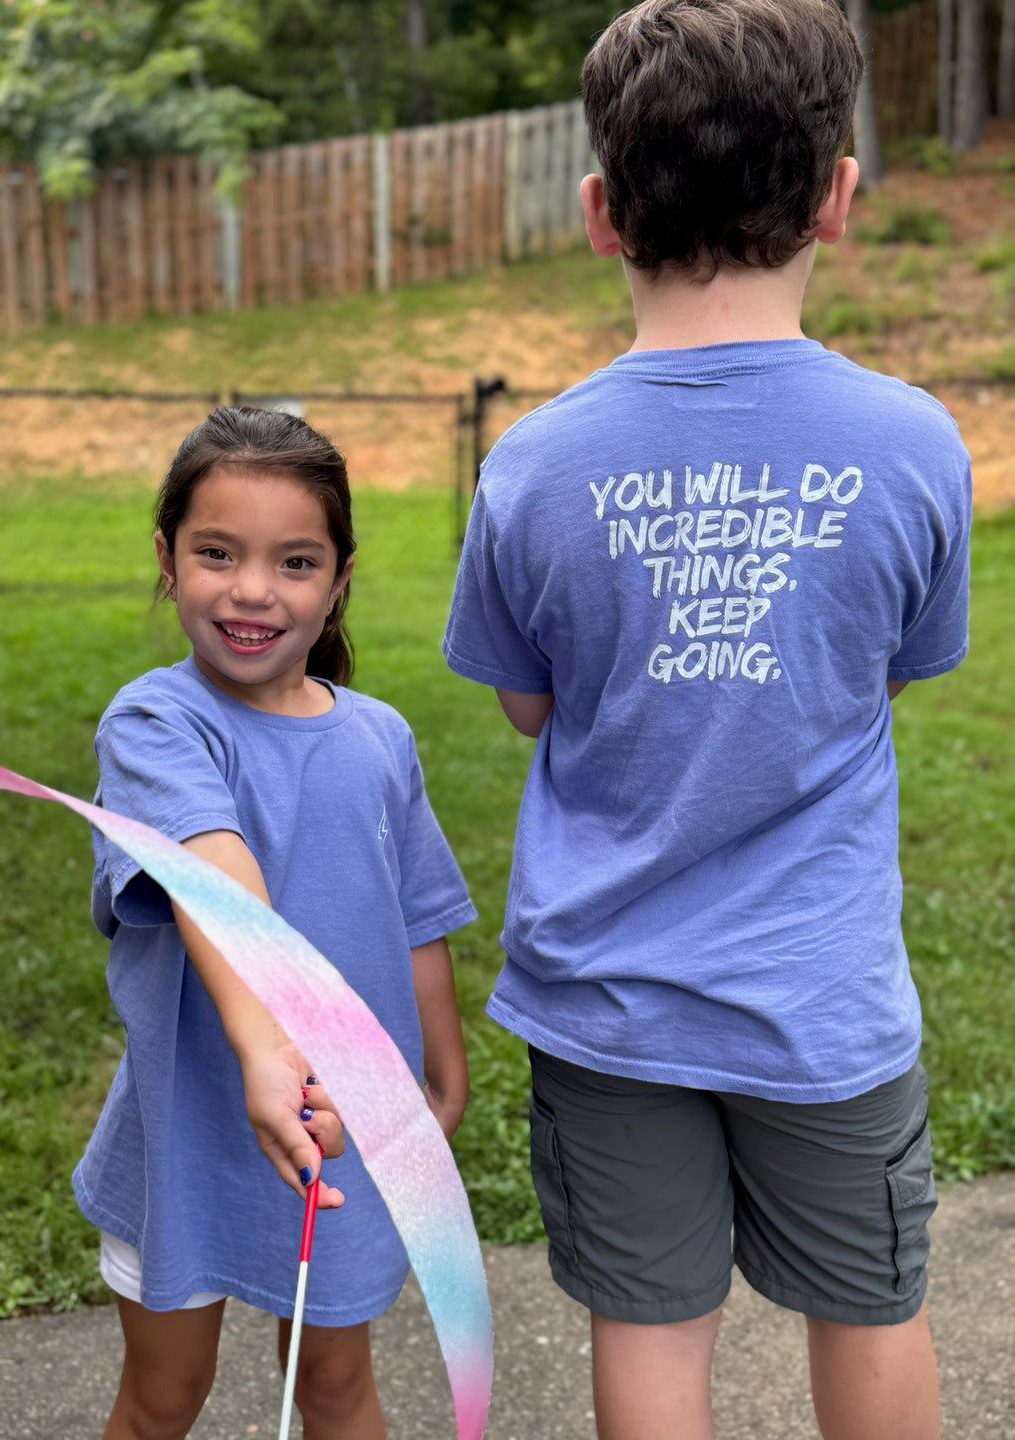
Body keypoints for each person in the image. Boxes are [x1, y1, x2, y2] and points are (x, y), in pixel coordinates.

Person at [442, 4, 971, 1439]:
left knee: (649, 1333)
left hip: (608, 1001)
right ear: (838, 198)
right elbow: (896, 667)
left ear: (602, 211)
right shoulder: (916, 441)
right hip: (824, 1002)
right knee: (872, 1309)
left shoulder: (532, 465)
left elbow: (524, 701)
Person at [76, 405, 475, 1440]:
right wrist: (267, 1047)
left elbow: (417, 914)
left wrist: (440, 1074)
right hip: (191, 1129)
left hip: (343, 1133)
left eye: (296, 561)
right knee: (166, 1393)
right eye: (217, 553)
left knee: (337, 1389)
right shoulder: (155, 723)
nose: (253, 590)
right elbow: (216, 872)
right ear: (166, 558)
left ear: (340, 577)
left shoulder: (380, 737)